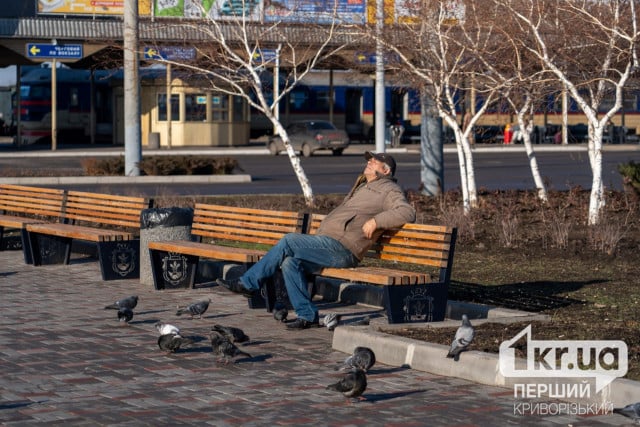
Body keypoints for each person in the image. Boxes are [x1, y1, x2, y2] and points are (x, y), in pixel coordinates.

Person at [217, 151, 416, 330]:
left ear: (386, 170)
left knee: (289, 241)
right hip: (329, 243)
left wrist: (376, 221)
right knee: (290, 263)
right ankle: (307, 316)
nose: (369, 163)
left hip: (343, 249)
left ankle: (249, 283)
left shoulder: (389, 189)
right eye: (369, 160)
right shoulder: (364, 186)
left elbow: (407, 212)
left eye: (375, 161)